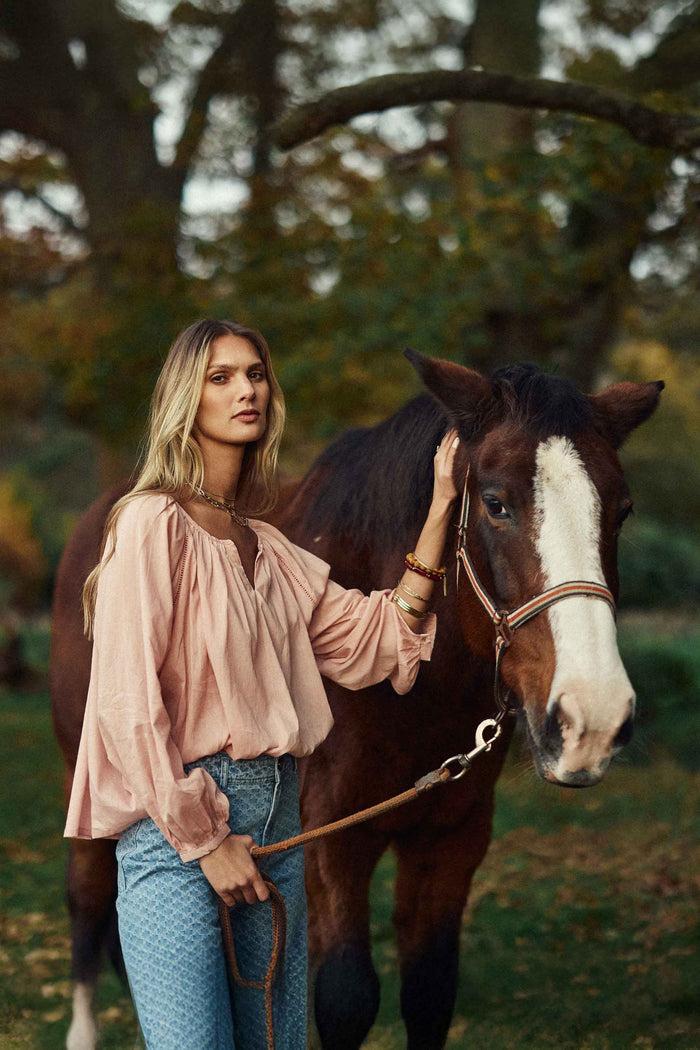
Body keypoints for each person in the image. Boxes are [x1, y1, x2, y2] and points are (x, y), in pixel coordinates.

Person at [63, 318, 460, 1049]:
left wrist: (440, 509)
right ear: (187, 400)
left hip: (279, 828)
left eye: (255, 374)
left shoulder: (269, 548)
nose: (246, 389)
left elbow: (377, 636)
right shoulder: (150, 525)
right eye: (221, 377)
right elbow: (125, 702)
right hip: (178, 831)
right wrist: (204, 840)